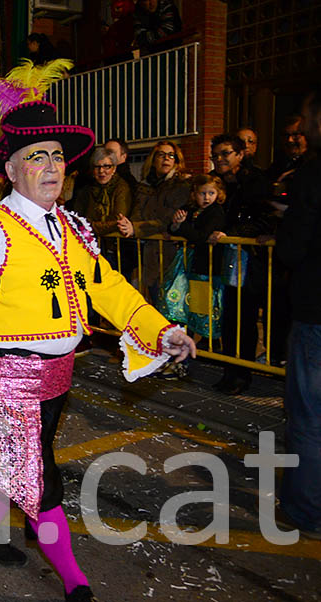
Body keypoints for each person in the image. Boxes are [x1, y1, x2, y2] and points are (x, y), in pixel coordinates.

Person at [0, 59, 196, 602]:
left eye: (58, 158)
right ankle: (75, 580)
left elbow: (109, 287)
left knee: (23, 453)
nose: (52, 167)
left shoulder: (71, 226)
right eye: (37, 157)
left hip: (60, 369)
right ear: (12, 168)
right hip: (8, 370)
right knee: (38, 470)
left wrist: (161, 331)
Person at [275, 90, 321, 540]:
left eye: (307, 120)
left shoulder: (311, 177)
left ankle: (306, 509)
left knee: (308, 415)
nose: (301, 130)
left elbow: (292, 248)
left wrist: (287, 219)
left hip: (316, 312)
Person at [206, 133, 274, 395]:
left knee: (244, 317)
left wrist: (233, 232)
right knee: (227, 316)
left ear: (241, 154)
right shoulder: (217, 182)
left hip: (247, 259)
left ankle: (241, 374)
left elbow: (264, 218)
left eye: (225, 154)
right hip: (225, 257)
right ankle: (228, 369)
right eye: (216, 155)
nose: (219, 159)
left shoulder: (255, 181)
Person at [117, 140, 189, 302]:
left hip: (171, 255)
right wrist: (129, 224)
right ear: (153, 159)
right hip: (149, 256)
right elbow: (137, 212)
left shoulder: (180, 185)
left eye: (171, 156)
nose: (166, 159)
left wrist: (135, 228)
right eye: (161, 155)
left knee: (171, 306)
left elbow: (166, 219)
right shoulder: (144, 186)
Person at [163, 174, 227, 340]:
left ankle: (207, 340)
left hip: (204, 265)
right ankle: (184, 335)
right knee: (182, 299)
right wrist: (176, 224)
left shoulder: (216, 212)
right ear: (194, 194)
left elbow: (201, 236)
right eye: (202, 193)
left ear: (218, 194)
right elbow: (172, 228)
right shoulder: (190, 209)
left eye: (211, 193)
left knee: (201, 305)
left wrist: (182, 227)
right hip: (186, 263)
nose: (206, 198)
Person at [77, 146, 133, 270]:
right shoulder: (85, 191)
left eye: (107, 166)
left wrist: (91, 227)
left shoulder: (122, 188)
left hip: (115, 251)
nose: (102, 171)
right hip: (90, 249)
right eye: (97, 167)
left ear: (114, 169)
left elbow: (118, 221)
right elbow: (79, 220)